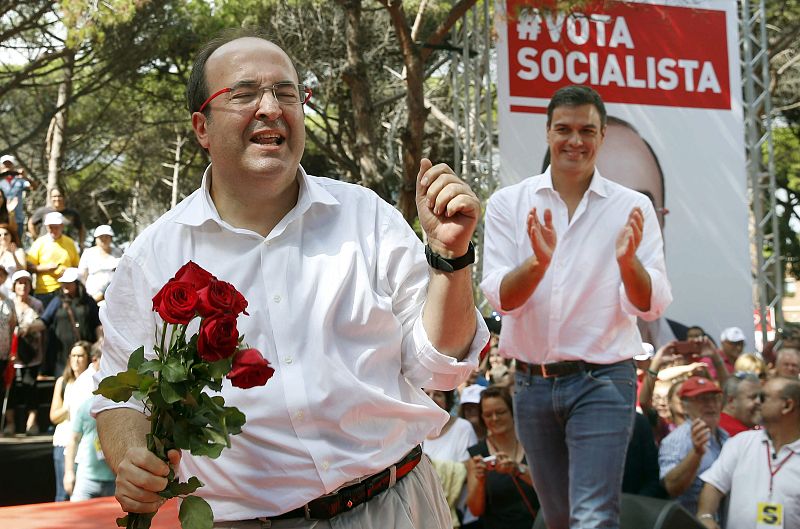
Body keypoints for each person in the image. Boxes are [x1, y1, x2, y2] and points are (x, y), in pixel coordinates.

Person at [92, 28, 488, 529]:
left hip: (397, 505)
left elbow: (441, 367)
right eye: (244, 93)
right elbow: (120, 393)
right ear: (201, 127)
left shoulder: (366, 217)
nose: (271, 107)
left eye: (286, 92)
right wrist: (130, 458)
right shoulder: (153, 257)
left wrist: (451, 259)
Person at [481, 85, 672, 529]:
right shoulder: (510, 203)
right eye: (564, 129)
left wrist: (628, 265)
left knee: (593, 516)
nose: (575, 140)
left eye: (587, 130)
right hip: (531, 384)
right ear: (548, 133)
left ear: (602, 136)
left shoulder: (632, 206)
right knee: (560, 519)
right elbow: (502, 298)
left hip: (604, 380)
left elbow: (649, 304)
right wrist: (538, 262)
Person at [697, 377, 800, 529]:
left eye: (764, 397)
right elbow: (713, 485)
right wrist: (705, 516)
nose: (757, 402)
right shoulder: (741, 443)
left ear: (787, 405)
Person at [466, 386, 537, 529]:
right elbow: (475, 510)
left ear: (512, 411)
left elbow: (551, 489)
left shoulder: (533, 444)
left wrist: (518, 470)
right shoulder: (477, 454)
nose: (495, 418)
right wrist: (480, 481)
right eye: (488, 414)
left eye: (500, 412)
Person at [658, 376, 728, 514]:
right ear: (684, 406)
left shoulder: (724, 436)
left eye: (714, 398)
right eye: (702, 399)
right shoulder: (677, 440)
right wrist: (696, 454)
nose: (711, 404)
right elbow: (672, 487)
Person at [423, 389, 478, 528]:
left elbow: (471, 472)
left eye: (438, 394)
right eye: (427, 394)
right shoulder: (415, 430)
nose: (432, 398)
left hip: (460, 517)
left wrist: (431, 466)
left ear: (448, 401)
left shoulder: (463, 428)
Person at [49, 340, 91, 501]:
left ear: (87, 358)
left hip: (85, 443)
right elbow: (53, 416)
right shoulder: (63, 382)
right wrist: (70, 407)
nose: (76, 359)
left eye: (80, 356)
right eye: (73, 355)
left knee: (81, 492)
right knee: (63, 492)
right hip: (63, 441)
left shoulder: (92, 380)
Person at [41, 268, 101, 377]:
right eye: (63, 282)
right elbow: (44, 321)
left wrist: (100, 340)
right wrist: (28, 327)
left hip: (85, 354)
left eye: (69, 282)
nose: (65, 285)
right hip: (62, 356)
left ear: (78, 283)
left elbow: (98, 324)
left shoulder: (88, 302)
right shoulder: (57, 301)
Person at [9, 270, 45, 435]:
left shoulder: (37, 304)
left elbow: (43, 326)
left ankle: (32, 423)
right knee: (12, 389)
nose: (23, 286)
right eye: (19, 283)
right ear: (14, 286)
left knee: (31, 388)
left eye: (26, 283)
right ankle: (10, 423)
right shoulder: (8, 303)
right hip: (11, 354)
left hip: (32, 353)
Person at [64, 390, 116, 501]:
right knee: (77, 516)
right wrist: (69, 472)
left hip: (115, 480)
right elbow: (73, 440)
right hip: (86, 478)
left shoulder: (122, 408)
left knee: (113, 518)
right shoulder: (86, 406)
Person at [26, 211, 80, 309]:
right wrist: (45, 268)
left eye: (56, 227)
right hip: (45, 290)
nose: (53, 230)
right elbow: (29, 266)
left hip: (66, 289)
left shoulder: (70, 243)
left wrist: (68, 272)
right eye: (50, 227)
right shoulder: (39, 243)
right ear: (46, 227)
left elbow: (76, 265)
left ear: (62, 226)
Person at [78, 225, 121, 303]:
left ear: (111, 238)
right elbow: (82, 275)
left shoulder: (118, 252)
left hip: (114, 295)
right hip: (92, 295)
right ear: (96, 239)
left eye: (107, 236)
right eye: (101, 237)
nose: (104, 239)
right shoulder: (88, 253)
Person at [0, 154, 36, 241]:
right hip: (1, 218)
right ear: (1, 166)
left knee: (16, 243)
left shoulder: (20, 180)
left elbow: (34, 187)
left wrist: (25, 177)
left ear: (13, 166)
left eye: (9, 164)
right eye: (5, 164)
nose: (7, 167)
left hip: (17, 219)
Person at [718, 372, 762, 436]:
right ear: (731, 401)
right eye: (753, 397)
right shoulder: (727, 433)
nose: (759, 401)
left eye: (761, 397)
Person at [0, 222, 28, 290]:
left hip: (14, 289)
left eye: (6, 234)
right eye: (0, 235)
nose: (3, 236)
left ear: (11, 235)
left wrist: (13, 255)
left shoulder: (19, 251)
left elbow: (23, 270)